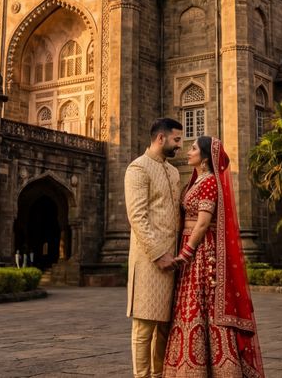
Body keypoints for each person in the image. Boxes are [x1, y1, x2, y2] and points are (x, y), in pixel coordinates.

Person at [164, 136, 265, 378]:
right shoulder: (197, 181)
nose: (189, 151)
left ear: (206, 158)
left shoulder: (209, 182)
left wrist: (185, 253)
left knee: (202, 307)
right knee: (193, 307)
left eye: (194, 148)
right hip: (192, 250)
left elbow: (202, 224)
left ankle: (211, 369)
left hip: (201, 253)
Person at [125, 117, 185, 378]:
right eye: (177, 139)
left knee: (164, 325)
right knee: (144, 326)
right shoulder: (138, 168)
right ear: (161, 138)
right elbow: (137, 216)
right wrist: (158, 254)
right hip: (149, 260)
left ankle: (158, 375)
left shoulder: (172, 171)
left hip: (171, 261)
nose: (180, 145)